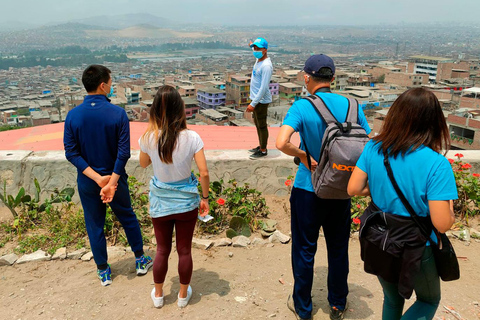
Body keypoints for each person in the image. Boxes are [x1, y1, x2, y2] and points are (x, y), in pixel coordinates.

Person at [348, 87, 457, 320]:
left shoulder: (374, 147)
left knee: (392, 297)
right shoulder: (437, 164)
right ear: (434, 122)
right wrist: (450, 210)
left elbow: (354, 188)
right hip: (414, 246)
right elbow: (442, 223)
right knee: (428, 300)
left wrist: (378, 188)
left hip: (378, 238)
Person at [276, 54, 371, 320]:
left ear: (307, 77)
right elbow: (368, 146)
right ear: (332, 78)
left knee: (305, 249)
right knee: (338, 248)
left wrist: (305, 157)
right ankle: (338, 303)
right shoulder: (353, 105)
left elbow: (281, 142)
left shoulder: (302, 106)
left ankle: (304, 308)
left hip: (308, 188)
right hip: (341, 187)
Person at [64, 64, 153, 287]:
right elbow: (123, 152)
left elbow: (71, 152)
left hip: (88, 181)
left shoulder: (73, 116)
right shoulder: (117, 114)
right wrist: (110, 182)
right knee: (127, 217)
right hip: (115, 179)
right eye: (111, 83)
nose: (111, 86)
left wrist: (97, 179)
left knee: (95, 224)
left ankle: (103, 271)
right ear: (103, 85)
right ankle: (141, 260)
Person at [138, 85, 210, 309]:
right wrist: (205, 198)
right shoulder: (192, 137)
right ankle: (181, 295)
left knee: (161, 250)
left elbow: (143, 163)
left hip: (161, 201)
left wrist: (153, 133)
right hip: (186, 202)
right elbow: (204, 173)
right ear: (180, 108)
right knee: (184, 250)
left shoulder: (149, 138)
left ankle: (158, 295)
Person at [247, 37, 273, 159]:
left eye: (258, 48)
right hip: (256, 99)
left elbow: (263, 87)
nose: (255, 50)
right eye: (254, 48)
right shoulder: (259, 59)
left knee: (262, 125)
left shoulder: (266, 66)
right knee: (257, 124)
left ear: (265, 50)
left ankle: (263, 150)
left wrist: (253, 103)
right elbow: (255, 49)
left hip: (261, 101)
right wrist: (251, 45)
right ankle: (261, 145)